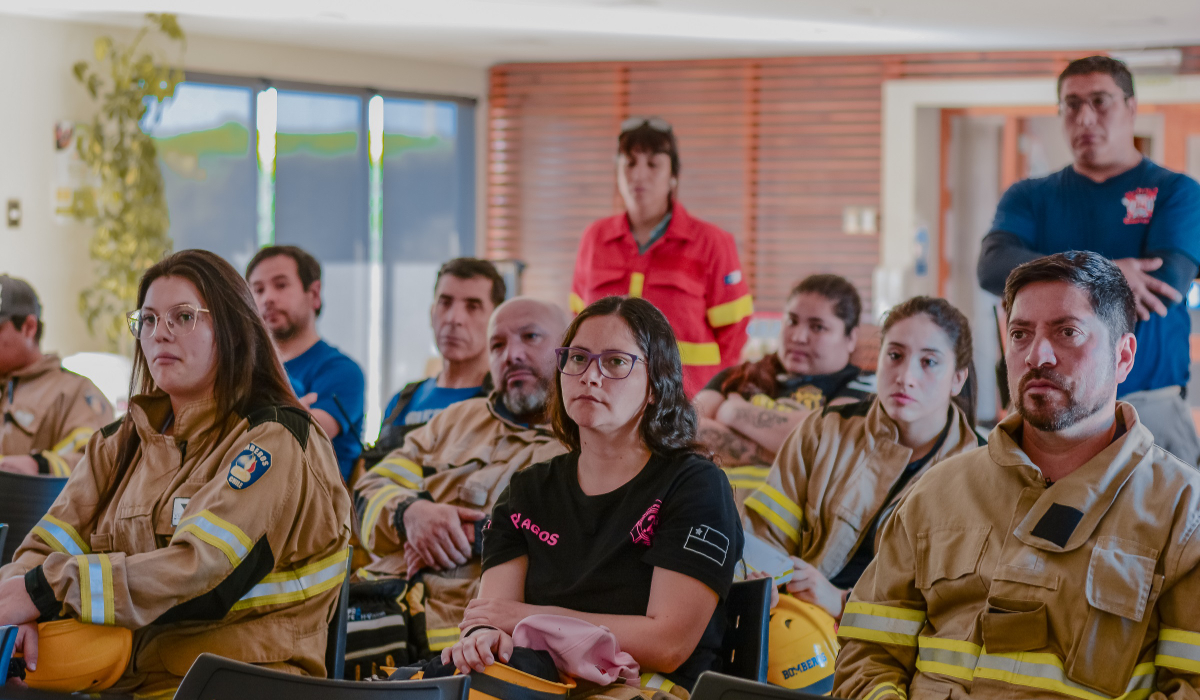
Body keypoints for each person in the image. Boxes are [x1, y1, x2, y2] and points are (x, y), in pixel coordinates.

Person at [835, 251, 1200, 700]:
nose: (1036, 355)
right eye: (1020, 334)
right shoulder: (935, 494)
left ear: (1123, 356)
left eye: (1067, 332)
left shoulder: (1185, 515)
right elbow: (866, 655)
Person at [0, 250, 350, 695]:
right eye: (147, 320)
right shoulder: (117, 444)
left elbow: (202, 574)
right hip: (126, 683)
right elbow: (46, 544)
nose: (160, 333)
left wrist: (45, 591)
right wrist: (19, 605)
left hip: (237, 683)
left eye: (183, 317)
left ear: (232, 330)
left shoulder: (273, 439)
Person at [447, 296, 744, 696]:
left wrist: (527, 618)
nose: (590, 376)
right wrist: (483, 637)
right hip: (536, 684)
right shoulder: (527, 489)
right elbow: (492, 615)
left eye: (616, 362)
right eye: (578, 358)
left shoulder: (694, 485)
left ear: (656, 385)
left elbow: (667, 644)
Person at [976, 55, 1200, 464]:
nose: (1085, 117)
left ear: (1131, 108)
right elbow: (992, 266)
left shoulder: (1176, 192)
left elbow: (1165, 284)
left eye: (1100, 101)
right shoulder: (1030, 196)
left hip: (1151, 406)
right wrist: (1118, 272)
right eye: (1072, 104)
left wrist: (1041, 274)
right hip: (1049, 406)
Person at [354, 297, 570, 658]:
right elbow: (368, 491)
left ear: (570, 349)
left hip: (472, 649)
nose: (512, 354)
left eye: (530, 337)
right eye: (497, 345)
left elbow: (581, 549)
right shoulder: (455, 419)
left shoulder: (587, 441)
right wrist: (409, 515)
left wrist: (475, 537)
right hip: (376, 617)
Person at [745, 296, 981, 622]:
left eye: (929, 362)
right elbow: (764, 535)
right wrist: (762, 582)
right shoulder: (825, 429)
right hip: (794, 625)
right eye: (895, 356)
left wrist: (844, 603)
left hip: (888, 652)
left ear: (958, 378)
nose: (905, 376)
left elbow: (950, 608)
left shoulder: (981, 471)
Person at [570, 117, 754, 398]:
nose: (639, 175)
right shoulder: (594, 238)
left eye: (653, 164)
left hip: (686, 405)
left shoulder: (712, 243)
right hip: (608, 399)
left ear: (673, 175)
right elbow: (578, 324)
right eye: (629, 164)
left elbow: (735, 334)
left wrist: (711, 397)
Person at [693, 274, 874, 503]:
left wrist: (733, 413)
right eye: (792, 321)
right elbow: (682, 431)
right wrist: (775, 449)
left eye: (818, 327)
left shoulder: (862, 384)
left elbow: (825, 441)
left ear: (851, 337)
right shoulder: (738, 376)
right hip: (710, 514)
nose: (798, 337)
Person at [246, 245, 365, 481]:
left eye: (281, 285)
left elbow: (296, 440)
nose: (268, 298)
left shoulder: (343, 372)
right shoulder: (243, 369)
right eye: (258, 290)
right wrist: (286, 414)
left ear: (315, 293)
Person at [373, 258, 505, 459]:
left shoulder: (506, 405)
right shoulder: (402, 402)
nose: (454, 318)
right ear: (431, 313)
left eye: (472, 306)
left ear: (496, 320)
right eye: (445, 303)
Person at [0, 275, 113, 476]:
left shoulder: (73, 392)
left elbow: (100, 463)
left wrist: (40, 466)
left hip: (31, 504)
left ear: (29, 327)